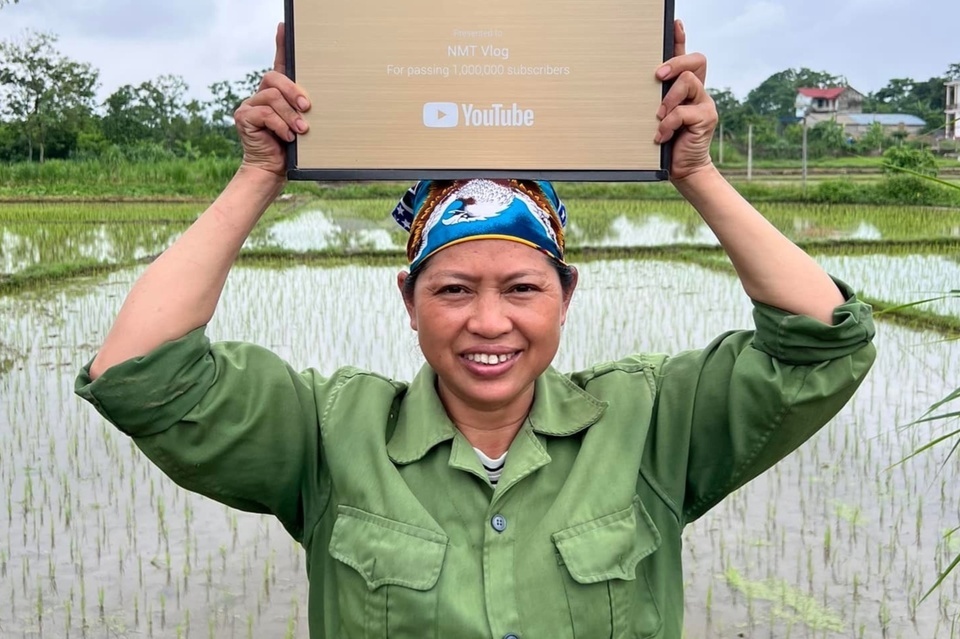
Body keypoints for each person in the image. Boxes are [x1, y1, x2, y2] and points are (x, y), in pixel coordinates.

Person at [75, 20, 876, 639]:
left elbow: (822, 342)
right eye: (454, 289)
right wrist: (259, 174)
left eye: (522, 287)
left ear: (565, 294)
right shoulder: (328, 432)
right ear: (409, 298)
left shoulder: (651, 421)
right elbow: (139, 373)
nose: (489, 322)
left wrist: (695, 172)